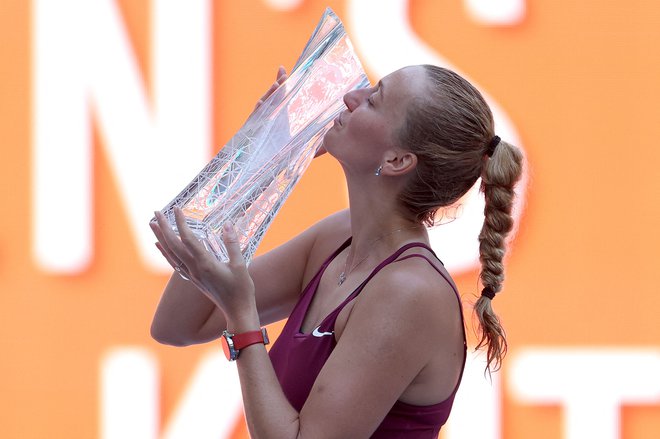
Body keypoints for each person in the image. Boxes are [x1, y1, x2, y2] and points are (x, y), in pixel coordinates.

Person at [150, 64, 524, 438]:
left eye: (373, 100)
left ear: (397, 160)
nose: (350, 97)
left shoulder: (409, 292)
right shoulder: (339, 238)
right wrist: (255, 162)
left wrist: (243, 316)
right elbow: (178, 325)